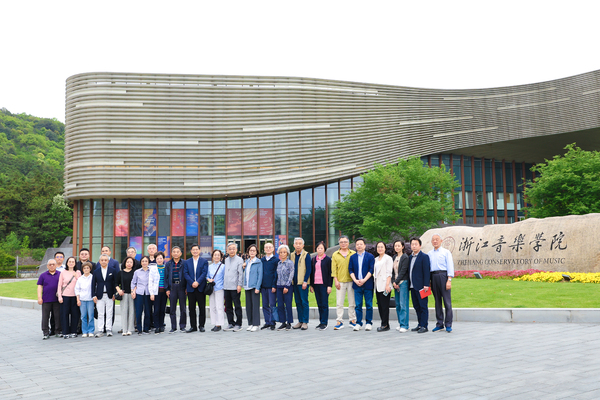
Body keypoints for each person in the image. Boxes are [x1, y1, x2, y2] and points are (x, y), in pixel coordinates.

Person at [428, 234, 454, 333]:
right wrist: (429, 281)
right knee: (437, 302)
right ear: (431, 242)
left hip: (443, 276)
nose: (435, 241)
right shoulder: (429, 254)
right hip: (433, 277)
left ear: (441, 241)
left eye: (437, 239)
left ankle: (448, 324)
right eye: (433, 240)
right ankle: (439, 324)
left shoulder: (446, 252)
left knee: (447, 302)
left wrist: (449, 280)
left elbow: (450, 266)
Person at [348, 238, 375, 331]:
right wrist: (355, 280)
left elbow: (371, 270)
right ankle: (358, 323)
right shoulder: (352, 257)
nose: (359, 246)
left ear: (364, 245)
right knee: (358, 305)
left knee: (369, 304)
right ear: (355, 246)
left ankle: (368, 322)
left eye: (361, 244)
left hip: (368, 284)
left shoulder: (370, 256)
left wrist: (364, 280)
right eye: (357, 244)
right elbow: (350, 270)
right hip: (357, 284)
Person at [331, 235, 357, 330]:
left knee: (352, 302)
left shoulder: (353, 253)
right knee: (339, 303)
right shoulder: (335, 254)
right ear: (339, 243)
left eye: (345, 242)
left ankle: (352, 320)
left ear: (348, 243)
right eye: (341, 242)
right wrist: (336, 281)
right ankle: (339, 321)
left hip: (351, 281)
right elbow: (334, 269)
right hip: (340, 282)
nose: (343, 244)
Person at [183, 245, 208, 333]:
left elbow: (204, 273)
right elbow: (185, 273)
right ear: (191, 251)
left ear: (199, 250)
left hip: (200, 287)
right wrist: (192, 282)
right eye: (193, 250)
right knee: (191, 308)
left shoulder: (204, 261)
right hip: (191, 288)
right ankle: (193, 326)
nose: (195, 251)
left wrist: (197, 282)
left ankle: (201, 326)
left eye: (196, 249)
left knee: (202, 308)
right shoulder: (187, 262)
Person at [92, 254, 118, 337]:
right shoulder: (96, 271)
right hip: (99, 295)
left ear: (108, 261)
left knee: (109, 313)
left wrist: (114, 294)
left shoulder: (112, 270)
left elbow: (115, 282)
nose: (103, 261)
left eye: (105, 260)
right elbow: (93, 284)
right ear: (99, 261)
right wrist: (93, 295)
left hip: (109, 294)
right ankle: (100, 330)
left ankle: (108, 329)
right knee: (100, 313)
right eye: (102, 260)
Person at [409, 238, 431, 333]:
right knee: (416, 306)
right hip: (412, 286)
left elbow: (427, 271)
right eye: (412, 244)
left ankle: (424, 326)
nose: (414, 246)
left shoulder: (424, 257)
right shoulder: (410, 257)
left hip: (422, 287)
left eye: (416, 244)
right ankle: (420, 324)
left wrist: (426, 284)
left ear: (420, 246)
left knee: (423, 306)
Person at [310, 241, 332, 331]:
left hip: (324, 285)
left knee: (324, 304)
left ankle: (324, 323)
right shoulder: (313, 259)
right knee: (319, 304)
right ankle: (321, 322)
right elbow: (312, 273)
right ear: (316, 249)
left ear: (324, 249)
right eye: (318, 248)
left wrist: (329, 285)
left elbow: (330, 273)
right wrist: (311, 285)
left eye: (321, 248)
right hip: (316, 284)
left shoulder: (327, 259)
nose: (320, 250)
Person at [57, 256, 81, 338]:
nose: (71, 263)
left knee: (75, 314)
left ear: (75, 263)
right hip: (65, 296)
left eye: (73, 262)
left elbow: (81, 283)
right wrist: (60, 296)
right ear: (67, 263)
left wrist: (76, 276)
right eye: (69, 261)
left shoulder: (78, 272)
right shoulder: (63, 272)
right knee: (64, 314)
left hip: (75, 296)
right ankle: (65, 332)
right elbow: (59, 285)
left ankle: (73, 331)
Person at [290, 237, 311, 330]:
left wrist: (305, 281)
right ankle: (300, 321)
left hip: (303, 283)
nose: (298, 245)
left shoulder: (306, 255)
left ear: (303, 245)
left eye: (300, 243)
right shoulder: (292, 255)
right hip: (294, 283)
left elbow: (309, 269)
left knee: (304, 302)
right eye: (296, 243)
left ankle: (305, 322)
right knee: (298, 302)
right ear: (293, 245)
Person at [37, 259, 61, 339]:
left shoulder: (60, 274)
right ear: (47, 266)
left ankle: (58, 331)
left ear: (56, 265)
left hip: (57, 299)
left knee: (57, 316)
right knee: (45, 317)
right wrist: (39, 297)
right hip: (46, 299)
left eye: (53, 264)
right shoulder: (43, 275)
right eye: (50, 264)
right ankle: (45, 332)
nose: (52, 266)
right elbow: (39, 286)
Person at [165, 246, 187, 333]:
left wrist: (186, 288)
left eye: (178, 252)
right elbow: (166, 277)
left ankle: (182, 326)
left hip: (182, 287)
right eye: (174, 252)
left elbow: (187, 275)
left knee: (183, 308)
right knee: (172, 309)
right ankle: (173, 327)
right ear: (171, 253)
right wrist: (167, 289)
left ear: (181, 253)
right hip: (172, 287)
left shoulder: (184, 263)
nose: (176, 253)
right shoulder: (168, 264)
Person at [223, 243, 244, 332]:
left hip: (235, 287)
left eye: (233, 249)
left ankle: (238, 324)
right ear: (227, 250)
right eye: (230, 249)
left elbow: (240, 274)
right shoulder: (226, 260)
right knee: (228, 306)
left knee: (237, 306)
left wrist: (239, 285)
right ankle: (230, 323)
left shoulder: (240, 260)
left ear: (236, 250)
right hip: (226, 287)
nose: (232, 250)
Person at [373, 241, 393, 332]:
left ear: (385, 248)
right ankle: (384, 323)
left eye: (382, 247)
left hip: (385, 285)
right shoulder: (376, 259)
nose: (380, 249)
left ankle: (385, 325)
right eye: (378, 247)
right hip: (377, 285)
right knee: (380, 306)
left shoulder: (388, 258)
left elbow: (389, 273)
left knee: (385, 306)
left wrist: (387, 285)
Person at [243, 244, 263, 332]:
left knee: (255, 306)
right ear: (248, 252)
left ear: (256, 252)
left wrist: (258, 287)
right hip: (247, 286)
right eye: (250, 250)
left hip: (254, 287)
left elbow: (260, 276)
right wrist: (243, 267)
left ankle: (256, 324)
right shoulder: (247, 262)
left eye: (254, 250)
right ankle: (250, 323)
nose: (252, 252)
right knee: (248, 306)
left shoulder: (258, 262)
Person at [392, 240, 410, 333]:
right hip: (396, 284)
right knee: (398, 305)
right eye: (395, 246)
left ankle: (405, 325)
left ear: (403, 247)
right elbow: (392, 272)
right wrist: (393, 282)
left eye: (399, 245)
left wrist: (396, 281)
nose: (397, 247)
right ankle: (400, 323)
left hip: (403, 283)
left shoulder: (405, 257)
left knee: (403, 304)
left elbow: (403, 271)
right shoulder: (394, 257)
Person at [260, 242, 279, 330]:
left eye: (270, 247)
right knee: (265, 305)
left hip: (272, 286)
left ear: (273, 249)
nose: (268, 249)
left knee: (272, 305)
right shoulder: (262, 260)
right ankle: (267, 322)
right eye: (266, 247)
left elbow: (276, 274)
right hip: (263, 286)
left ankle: (272, 322)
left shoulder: (276, 260)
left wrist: (274, 285)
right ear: (264, 249)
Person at [276, 245, 294, 331]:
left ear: (287, 253)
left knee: (288, 305)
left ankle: (289, 322)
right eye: (281, 252)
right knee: (280, 305)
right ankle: (283, 322)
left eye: (284, 252)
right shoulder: (278, 263)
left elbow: (291, 275)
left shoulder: (290, 263)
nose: (283, 254)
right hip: (279, 286)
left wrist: (287, 286)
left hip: (287, 287)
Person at [131, 256, 152, 335]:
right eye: (143, 261)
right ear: (141, 262)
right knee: (138, 312)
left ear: (148, 262)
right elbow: (133, 282)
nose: (144, 263)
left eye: (146, 261)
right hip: (139, 293)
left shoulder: (151, 271)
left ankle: (146, 329)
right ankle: (139, 329)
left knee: (148, 311)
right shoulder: (137, 272)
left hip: (148, 293)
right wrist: (133, 291)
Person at [116, 256, 136, 336]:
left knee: (132, 312)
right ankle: (124, 329)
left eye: (131, 262)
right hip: (123, 294)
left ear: (133, 264)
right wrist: (119, 290)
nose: (129, 264)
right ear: (125, 263)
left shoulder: (135, 272)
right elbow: (116, 283)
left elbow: (137, 283)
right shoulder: (120, 273)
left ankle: (130, 329)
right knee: (124, 312)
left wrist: (134, 291)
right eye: (127, 262)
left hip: (132, 294)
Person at [207, 249, 226, 332]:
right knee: (212, 307)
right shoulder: (210, 266)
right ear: (212, 257)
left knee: (219, 307)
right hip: (212, 289)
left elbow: (225, 277)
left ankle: (219, 324)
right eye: (215, 255)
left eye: (218, 255)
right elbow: (207, 276)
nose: (217, 256)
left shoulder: (223, 266)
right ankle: (215, 323)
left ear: (221, 257)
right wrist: (209, 279)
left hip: (220, 288)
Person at [75, 262, 95, 337]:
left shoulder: (93, 277)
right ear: (82, 269)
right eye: (84, 268)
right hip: (82, 299)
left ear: (90, 269)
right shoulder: (80, 279)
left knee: (91, 316)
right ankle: (84, 331)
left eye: (87, 268)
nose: (86, 269)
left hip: (90, 299)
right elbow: (77, 289)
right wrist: (78, 300)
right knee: (83, 316)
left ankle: (91, 330)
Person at [150, 251, 168, 334]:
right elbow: (150, 281)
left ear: (163, 259)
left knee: (162, 309)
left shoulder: (166, 268)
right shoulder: (153, 269)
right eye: (157, 259)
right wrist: (152, 293)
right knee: (156, 309)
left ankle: (161, 325)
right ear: (155, 259)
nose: (159, 260)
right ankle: (156, 326)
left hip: (164, 292)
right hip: (156, 292)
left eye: (161, 258)